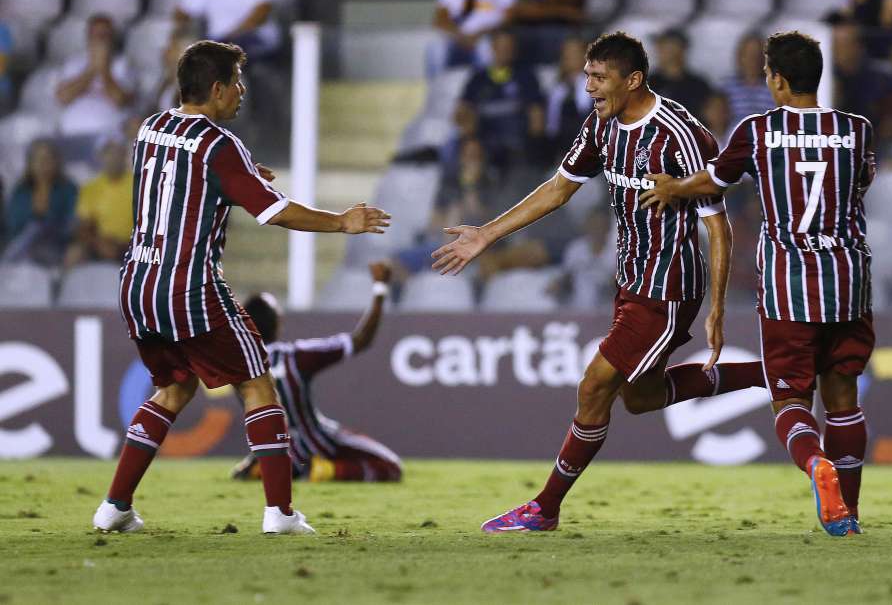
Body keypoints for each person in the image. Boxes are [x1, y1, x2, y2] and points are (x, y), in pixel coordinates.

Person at [432, 32, 765, 533]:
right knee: (641, 397)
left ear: (632, 80)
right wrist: (487, 234)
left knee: (594, 387)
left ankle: (544, 508)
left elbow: (717, 225)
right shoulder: (602, 126)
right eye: (586, 76)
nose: (588, 87)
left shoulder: (683, 136)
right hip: (630, 281)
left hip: (668, 286)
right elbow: (560, 188)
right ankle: (778, 371)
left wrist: (716, 307)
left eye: (598, 77)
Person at [92, 40, 391, 536]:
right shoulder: (220, 145)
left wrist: (243, 179)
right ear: (216, 89)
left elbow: (175, 184)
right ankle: (280, 515)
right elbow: (273, 211)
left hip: (138, 283)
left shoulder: (150, 128)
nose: (242, 91)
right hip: (188, 285)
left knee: (173, 388)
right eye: (236, 81)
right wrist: (342, 222)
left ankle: (115, 507)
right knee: (257, 383)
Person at [640, 31, 876, 537]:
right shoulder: (857, 130)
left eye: (769, 74)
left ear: (780, 80)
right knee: (843, 398)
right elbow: (860, 183)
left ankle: (816, 466)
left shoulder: (758, 130)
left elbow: (713, 181)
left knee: (791, 401)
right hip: (848, 280)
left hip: (790, 285)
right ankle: (848, 517)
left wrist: (674, 187)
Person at [231, 261, 402, 483]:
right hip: (315, 443)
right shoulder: (297, 356)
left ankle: (261, 465)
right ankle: (321, 471)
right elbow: (361, 340)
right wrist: (380, 289)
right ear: (277, 324)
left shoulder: (239, 365)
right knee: (390, 467)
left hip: (273, 448)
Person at [454, 29, 545, 167]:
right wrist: (467, 125)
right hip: (484, 141)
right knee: (454, 148)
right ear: (493, 48)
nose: (505, 51)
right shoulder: (478, 78)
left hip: (517, 140)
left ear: (514, 49)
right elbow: (462, 110)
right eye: (502, 47)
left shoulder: (526, 76)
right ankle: (467, 186)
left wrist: (534, 140)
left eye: (509, 47)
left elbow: (536, 112)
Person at [832, 21, 892, 145]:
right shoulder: (822, 77)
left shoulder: (879, 74)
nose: (839, 50)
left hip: (877, 145)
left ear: (859, 46)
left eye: (846, 44)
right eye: (836, 44)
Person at [55, 14, 136, 139]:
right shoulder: (73, 63)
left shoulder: (123, 65)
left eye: (104, 35)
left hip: (109, 137)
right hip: (72, 134)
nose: (100, 40)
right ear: (88, 38)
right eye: (96, 35)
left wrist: (103, 69)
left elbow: (120, 100)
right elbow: (63, 97)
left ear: (112, 38)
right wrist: (91, 69)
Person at [1, 139, 78, 265]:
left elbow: (72, 223)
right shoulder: (20, 191)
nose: (42, 164)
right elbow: (12, 224)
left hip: (57, 247)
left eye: (47, 159)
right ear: (30, 163)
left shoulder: (68, 189)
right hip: (23, 249)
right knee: (31, 231)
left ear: (56, 162)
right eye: (38, 159)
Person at [64, 137, 133, 268]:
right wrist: (99, 243)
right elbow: (84, 225)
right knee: (75, 253)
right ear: (100, 156)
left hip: (133, 244)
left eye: (117, 152)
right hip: (101, 243)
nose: (113, 157)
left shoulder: (141, 184)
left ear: (125, 154)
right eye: (108, 153)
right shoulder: (91, 187)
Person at [544, 35, 591, 159]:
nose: (569, 57)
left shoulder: (598, 88)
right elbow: (551, 128)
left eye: (574, 52)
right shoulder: (556, 90)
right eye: (566, 53)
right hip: (562, 155)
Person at [648, 29, 711, 118]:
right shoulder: (649, 82)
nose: (658, 51)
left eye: (664, 46)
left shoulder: (698, 85)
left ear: (678, 51)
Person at [721, 32, 775, 129]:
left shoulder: (776, 87)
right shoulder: (726, 87)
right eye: (748, 54)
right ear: (740, 57)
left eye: (757, 55)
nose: (753, 60)